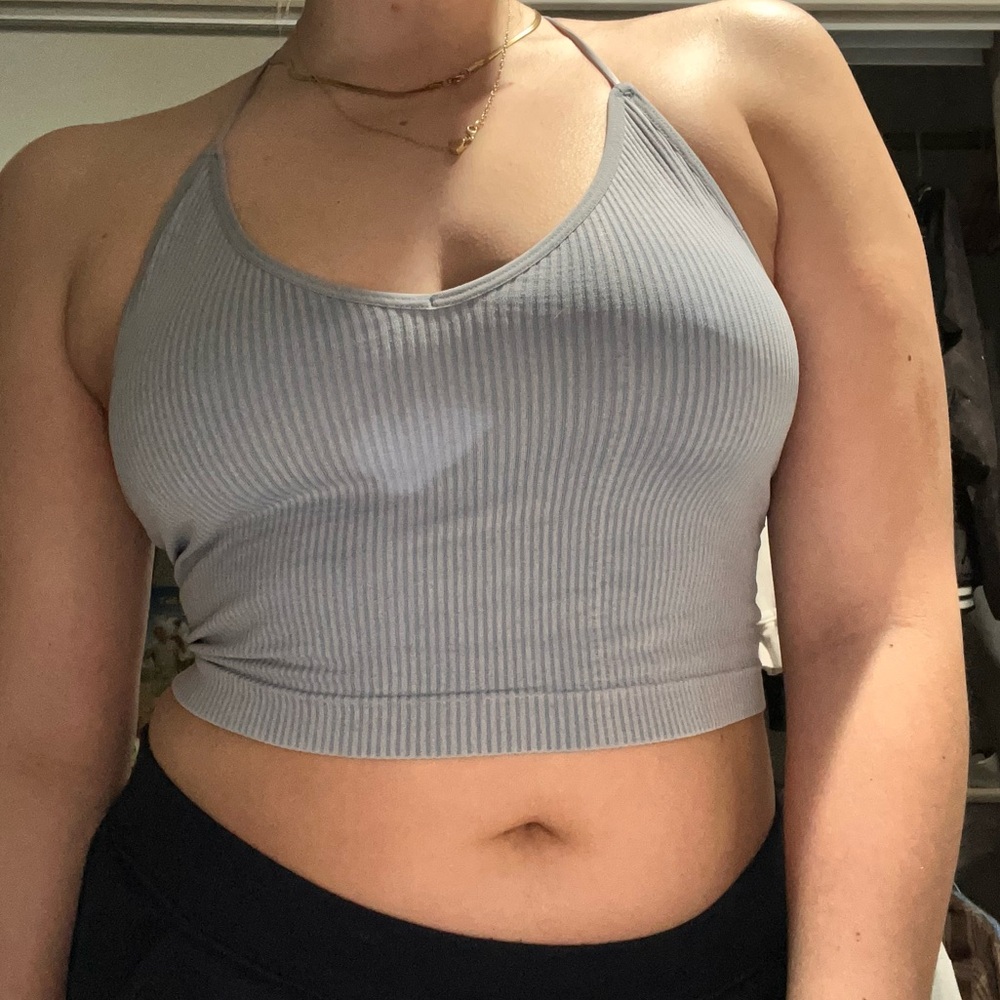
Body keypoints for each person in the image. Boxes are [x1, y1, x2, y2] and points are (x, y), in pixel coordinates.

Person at [0, 1, 970, 998]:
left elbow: (877, 623)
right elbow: (37, 751)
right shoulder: (72, 198)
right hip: (218, 948)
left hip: (723, 961)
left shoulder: (758, 83)